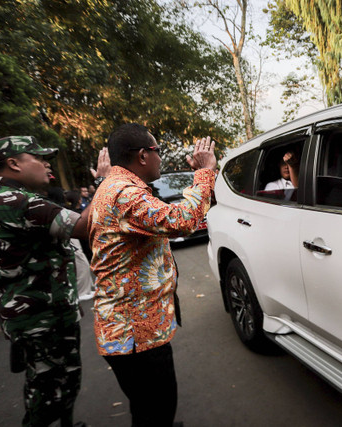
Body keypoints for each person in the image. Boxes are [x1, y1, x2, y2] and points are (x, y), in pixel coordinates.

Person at [0, 136, 110, 427]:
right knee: (52, 388)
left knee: (47, 383)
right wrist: (104, 183)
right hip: (44, 316)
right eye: (38, 158)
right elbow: (86, 226)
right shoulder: (19, 202)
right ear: (14, 164)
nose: (47, 164)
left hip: (23, 313)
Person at [88, 123, 217, 427]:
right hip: (134, 333)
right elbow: (183, 221)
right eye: (159, 151)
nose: (161, 158)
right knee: (156, 410)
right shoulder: (123, 193)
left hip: (136, 328)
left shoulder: (115, 186)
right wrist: (205, 171)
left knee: (149, 408)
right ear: (144, 155)